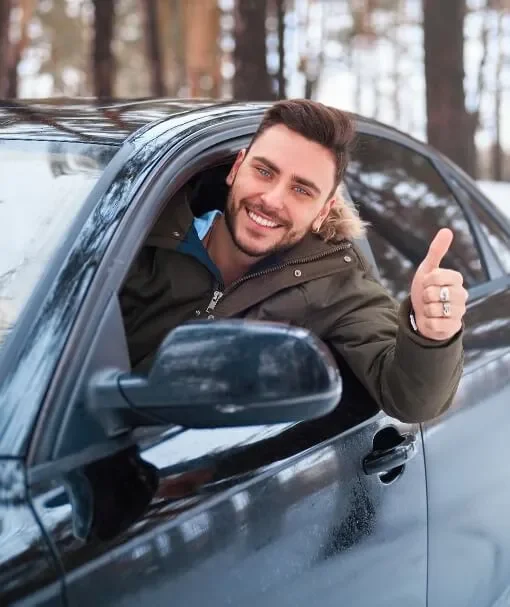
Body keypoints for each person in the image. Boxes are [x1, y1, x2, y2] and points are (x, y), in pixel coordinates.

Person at [120, 99, 467, 423]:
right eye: (265, 172)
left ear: (323, 211)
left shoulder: (336, 283)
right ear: (236, 168)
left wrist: (432, 335)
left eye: (301, 190)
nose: (271, 200)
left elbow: (410, 397)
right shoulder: (136, 233)